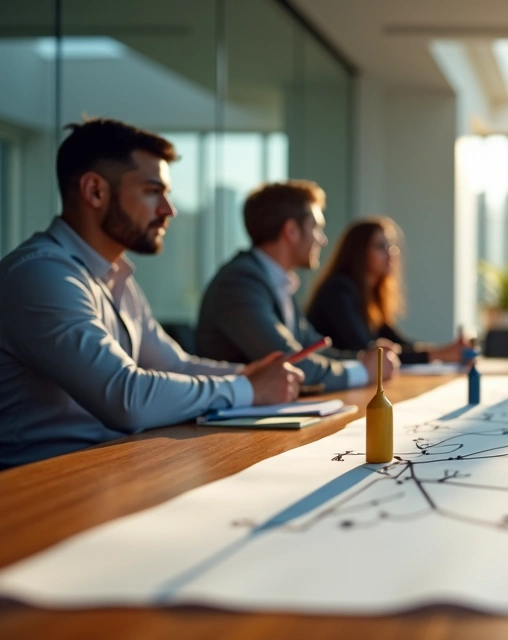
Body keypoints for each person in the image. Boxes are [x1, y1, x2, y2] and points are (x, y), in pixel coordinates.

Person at [0, 119, 302, 469]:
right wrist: (249, 390)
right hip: (37, 491)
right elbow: (125, 396)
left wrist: (247, 375)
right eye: (152, 191)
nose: (168, 210)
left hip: (106, 471)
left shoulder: (117, 279)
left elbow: (174, 365)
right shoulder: (40, 275)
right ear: (95, 191)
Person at [196, 181, 398, 391]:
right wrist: (364, 371)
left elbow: (312, 349)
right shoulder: (239, 283)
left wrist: (364, 359)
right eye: (317, 228)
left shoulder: (276, 281)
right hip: (233, 421)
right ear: (291, 231)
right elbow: (292, 362)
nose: (323, 240)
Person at [306, 217, 466, 361]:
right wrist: (441, 354)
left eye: (391, 246)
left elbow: (396, 342)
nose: (391, 253)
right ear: (359, 252)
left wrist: (445, 350)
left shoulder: (371, 294)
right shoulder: (338, 291)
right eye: (380, 246)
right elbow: (368, 353)